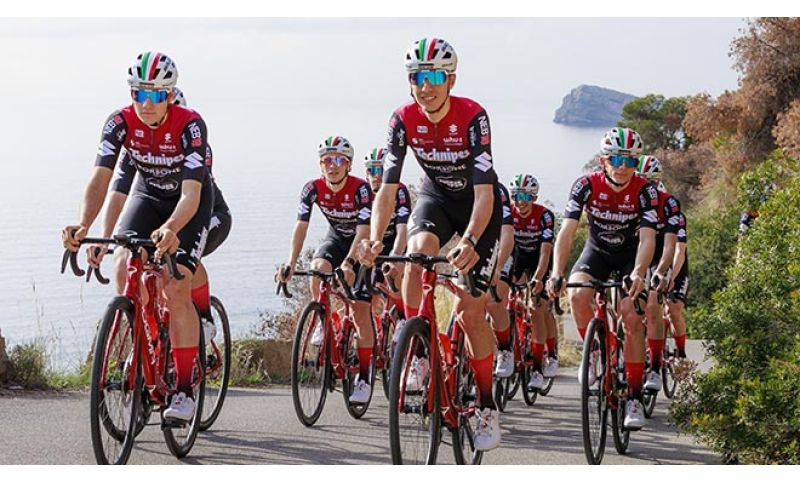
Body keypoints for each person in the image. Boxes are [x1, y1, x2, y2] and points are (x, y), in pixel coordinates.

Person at [359, 37, 503, 451]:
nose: (426, 86)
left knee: (470, 310)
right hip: (435, 197)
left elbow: (485, 193)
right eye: (417, 77)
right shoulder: (402, 119)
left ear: (451, 80)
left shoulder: (473, 115)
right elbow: (387, 189)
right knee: (416, 252)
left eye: (436, 77)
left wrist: (471, 239)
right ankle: (418, 350)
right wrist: (373, 239)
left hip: (478, 205)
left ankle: (486, 404)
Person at [61, 51, 213, 421]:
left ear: (170, 95)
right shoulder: (119, 122)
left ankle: (183, 389)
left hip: (187, 204)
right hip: (147, 198)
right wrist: (85, 226)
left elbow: (192, 194)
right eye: (139, 93)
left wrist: (172, 228)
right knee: (124, 262)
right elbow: (102, 179)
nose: (146, 103)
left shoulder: (190, 125)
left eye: (156, 95)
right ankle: (143, 345)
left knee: (176, 284)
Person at [98, 88, 232, 344]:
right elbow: (119, 188)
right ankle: (152, 337)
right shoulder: (137, 147)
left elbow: (193, 194)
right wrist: (105, 237)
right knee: (140, 262)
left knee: (183, 259)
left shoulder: (197, 146)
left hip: (208, 213)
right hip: (163, 214)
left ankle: (204, 317)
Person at [547, 127, 658, 430]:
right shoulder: (585, 185)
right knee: (576, 294)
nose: (622, 167)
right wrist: (556, 272)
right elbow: (567, 231)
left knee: (631, 317)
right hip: (597, 251)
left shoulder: (645, 191)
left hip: (630, 256)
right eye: (616, 159)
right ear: (603, 160)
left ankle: (633, 397)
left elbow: (648, 237)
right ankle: (596, 352)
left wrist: (639, 272)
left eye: (630, 161)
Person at [276, 136, 375, 404]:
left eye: (339, 160)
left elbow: (364, 231)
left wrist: (350, 262)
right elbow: (301, 226)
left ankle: (364, 377)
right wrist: (291, 262)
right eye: (326, 160)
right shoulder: (312, 188)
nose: (332, 165)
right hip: (336, 238)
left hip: (360, 243)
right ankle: (323, 320)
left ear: (349, 165)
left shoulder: (361, 189)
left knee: (360, 310)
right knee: (317, 269)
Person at [500, 174, 556, 390]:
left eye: (525, 197)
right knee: (505, 295)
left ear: (534, 198)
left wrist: (539, 278)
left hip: (540, 258)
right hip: (518, 256)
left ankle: (542, 364)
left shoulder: (545, 216)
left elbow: (545, 252)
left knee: (538, 307)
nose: (520, 202)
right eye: (516, 196)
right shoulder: (508, 213)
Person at [636, 155, 680, 392]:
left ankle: (654, 366)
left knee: (653, 306)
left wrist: (661, 271)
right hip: (637, 254)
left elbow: (670, 245)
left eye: (650, 182)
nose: (646, 187)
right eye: (641, 181)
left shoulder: (669, 203)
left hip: (661, 255)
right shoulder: (631, 200)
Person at [363, 147, 410, 324]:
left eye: (381, 170)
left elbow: (403, 229)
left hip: (397, 241)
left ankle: (403, 321)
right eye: (372, 170)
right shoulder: (363, 193)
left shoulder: (399, 190)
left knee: (394, 282)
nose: (376, 176)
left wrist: (396, 256)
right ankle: (371, 328)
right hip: (375, 244)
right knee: (367, 291)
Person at [485, 183, 515, 379]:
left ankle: (505, 348)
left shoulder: (497, 190)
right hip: (474, 249)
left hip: (500, 250)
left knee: (493, 302)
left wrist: (498, 266)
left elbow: (507, 234)